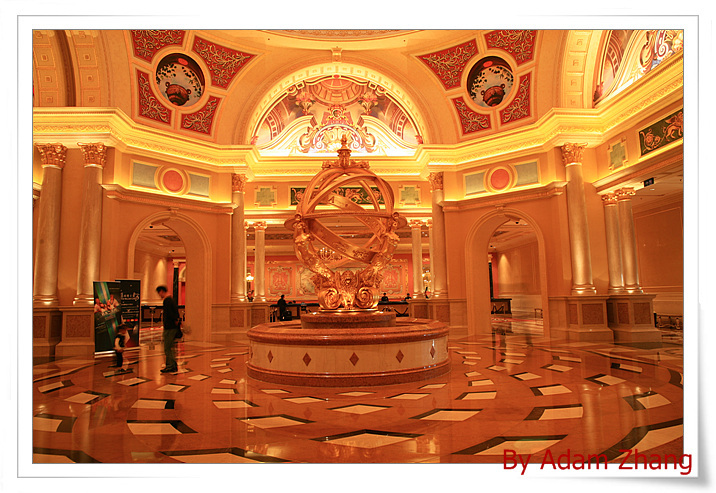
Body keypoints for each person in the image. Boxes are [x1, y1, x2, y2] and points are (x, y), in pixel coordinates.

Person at [156, 285, 180, 373]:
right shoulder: (171, 300)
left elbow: (170, 314)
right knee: (170, 347)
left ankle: (170, 366)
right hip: (172, 327)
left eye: (159, 293)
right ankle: (172, 365)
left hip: (169, 328)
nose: (159, 295)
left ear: (161, 291)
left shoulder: (167, 301)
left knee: (167, 347)